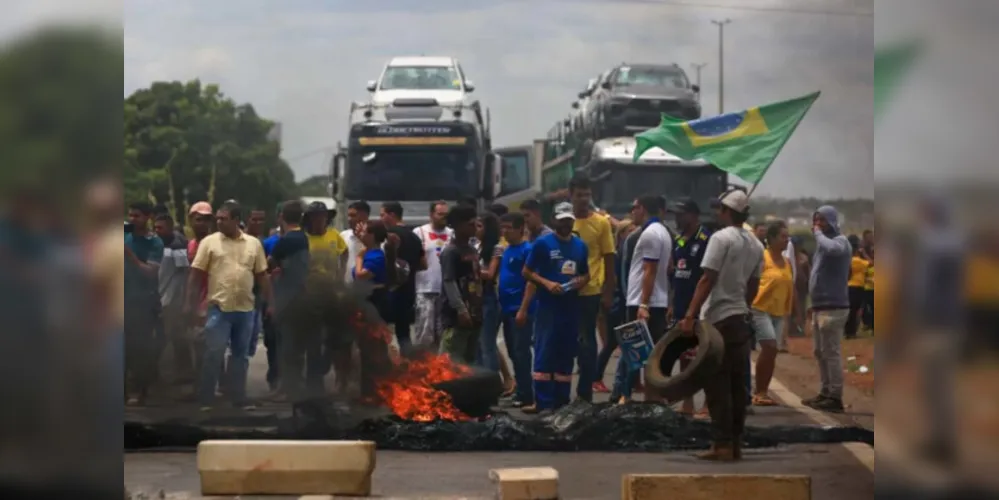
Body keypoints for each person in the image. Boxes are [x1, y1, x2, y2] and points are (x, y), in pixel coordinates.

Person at [678, 189, 763, 461]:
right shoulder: (756, 244)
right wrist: (743, 306)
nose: (717, 213)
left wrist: (690, 315)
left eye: (720, 209)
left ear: (727, 212)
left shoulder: (720, 238)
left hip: (717, 319)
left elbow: (707, 279)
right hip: (740, 318)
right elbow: (753, 284)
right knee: (738, 385)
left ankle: (722, 444)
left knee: (717, 384)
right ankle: (735, 442)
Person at [188, 201, 273, 411]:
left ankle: (238, 398)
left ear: (236, 220)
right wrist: (189, 305)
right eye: (217, 218)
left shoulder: (253, 244)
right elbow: (195, 276)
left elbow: (262, 276)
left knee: (240, 356)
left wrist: (271, 302)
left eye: (223, 219)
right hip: (218, 308)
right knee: (213, 354)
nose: (218, 222)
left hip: (246, 310)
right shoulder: (209, 242)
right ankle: (206, 399)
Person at [521, 202, 590, 412]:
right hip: (548, 307)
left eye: (569, 220)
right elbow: (527, 272)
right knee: (544, 352)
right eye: (561, 221)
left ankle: (562, 402)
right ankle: (543, 403)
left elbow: (586, 273)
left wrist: (582, 281)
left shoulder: (580, 246)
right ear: (554, 220)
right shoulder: (542, 244)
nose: (565, 224)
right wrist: (547, 283)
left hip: (570, 306)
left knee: (566, 353)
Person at [268, 200, 323, 402]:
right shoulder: (302, 238)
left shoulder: (287, 240)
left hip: (288, 298)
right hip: (299, 296)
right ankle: (289, 387)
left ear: (281, 216)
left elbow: (268, 264)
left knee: (287, 346)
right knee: (292, 345)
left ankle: (288, 389)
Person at [567, 175, 616, 403]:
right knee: (567, 342)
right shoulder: (565, 222)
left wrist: (607, 293)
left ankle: (584, 394)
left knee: (587, 343)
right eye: (580, 195)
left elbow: (609, 259)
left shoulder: (601, 223)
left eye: (587, 195)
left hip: (591, 293)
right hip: (565, 292)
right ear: (571, 195)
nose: (584, 199)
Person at [621, 195, 672, 403]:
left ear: (643, 209)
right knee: (651, 356)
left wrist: (643, 304)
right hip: (656, 300)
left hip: (642, 301)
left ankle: (624, 397)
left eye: (635, 208)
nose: (632, 212)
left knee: (632, 352)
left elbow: (649, 270)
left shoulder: (650, 234)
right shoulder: (664, 232)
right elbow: (668, 268)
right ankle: (651, 398)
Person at [803, 205, 852, 413]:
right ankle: (824, 392)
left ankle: (835, 396)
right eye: (815, 221)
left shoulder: (840, 242)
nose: (818, 225)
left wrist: (817, 234)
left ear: (832, 221)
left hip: (834, 307)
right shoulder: (822, 246)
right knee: (819, 352)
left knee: (831, 352)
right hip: (820, 306)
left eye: (822, 221)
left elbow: (832, 249)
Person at [666, 199, 712, 416]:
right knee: (685, 356)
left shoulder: (706, 239)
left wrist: (697, 309)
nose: (677, 218)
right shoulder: (679, 240)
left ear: (694, 215)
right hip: (681, 304)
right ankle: (687, 403)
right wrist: (672, 303)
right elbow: (675, 274)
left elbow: (708, 276)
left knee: (704, 356)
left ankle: (709, 403)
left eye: (681, 214)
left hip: (701, 305)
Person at [124, 201, 165, 405]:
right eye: (130, 215)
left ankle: (139, 390)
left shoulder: (154, 242)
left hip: (142, 302)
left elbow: (150, 272)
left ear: (148, 217)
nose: (132, 219)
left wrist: (128, 255)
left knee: (138, 347)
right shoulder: (122, 234)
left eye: (137, 215)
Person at [352, 219, 398, 399]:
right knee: (367, 348)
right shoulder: (369, 252)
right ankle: (370, 390)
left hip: (375, 305)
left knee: (374, 349)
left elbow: (360, 275)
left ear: (372, 236)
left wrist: (358, 258)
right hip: (366, 304)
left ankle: (378, 390)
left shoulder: (375, 256)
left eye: (364, 232)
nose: (360, 235)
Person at [750, 220, 794, 407]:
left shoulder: (786, 262)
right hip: (760, 308)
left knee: (772, 351)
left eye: (787, 237)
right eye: (783, 237)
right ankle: (759, 391)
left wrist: (792, 311)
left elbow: (790, 288)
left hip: (778, 312)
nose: (786, 240)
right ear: (772, 239)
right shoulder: (762, 257)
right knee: (769, 346)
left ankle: (762, 391)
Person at [438, 205, 483, 364]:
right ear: (458, 226)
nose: (474, 227)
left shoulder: (472, 249)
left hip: (475, 315)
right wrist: (461, 309)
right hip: (456, 317)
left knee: (469, 363)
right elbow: (449, 282)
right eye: (470, 224)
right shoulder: (451, 252)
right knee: (450, 363)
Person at [153, 213, 193, 384]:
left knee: (178, 339)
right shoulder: (155, 245)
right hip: (158, 298)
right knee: (159, 340)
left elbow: (186, 274)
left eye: (160, 227)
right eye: (155, 227)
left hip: (172, 302)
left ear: (169, 228)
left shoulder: (177, 246)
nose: (157, 231)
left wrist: (184, 300)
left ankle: (185, 375)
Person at [381, 201, 426, 351]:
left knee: (380, 331)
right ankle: (409, 364)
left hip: (390, 292)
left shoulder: (390, 235)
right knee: (404, 333)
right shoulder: (414, 237)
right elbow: (423, 264)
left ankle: (386, 368)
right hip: (408, 290)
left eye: (383, 215)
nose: (381, 219)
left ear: (392, 215)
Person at [501, 213, 535, 408]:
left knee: (522, 353)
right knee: (514, 352)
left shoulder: (527, 250)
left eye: (509, 228)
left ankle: (527, 395)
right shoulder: (507, 250)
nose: (505, 232)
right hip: (506, 309)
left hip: (520, 310)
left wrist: (523, 309)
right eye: (502, 228)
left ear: (520, 228)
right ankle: (521, 390)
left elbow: (531, 281)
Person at [413, 201, 453, 347]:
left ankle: (440, 367)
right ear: (431, 215)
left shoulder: (452, 234)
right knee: (424, 333)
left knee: (443, 334)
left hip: (446, 291)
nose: (443, 217)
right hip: (425, 289)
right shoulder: (419, 232)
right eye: (440, 214)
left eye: (446, 215)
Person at [845, 235, 869, 339]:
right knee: (855, 311)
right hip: (858, 287)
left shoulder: (847, 260)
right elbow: (871, 264)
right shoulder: (859, 261)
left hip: (848, 287)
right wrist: (864, 254)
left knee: (850, 310)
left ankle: (848, 332)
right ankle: (852, 332)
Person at [341, 201, 370, 282]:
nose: (349, 219)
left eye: (353, 215)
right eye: (348, 215)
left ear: (365, 216)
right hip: (346, 288)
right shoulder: (343, 236)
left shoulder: (375, 237)